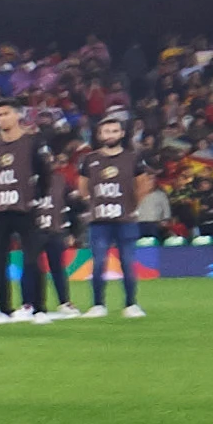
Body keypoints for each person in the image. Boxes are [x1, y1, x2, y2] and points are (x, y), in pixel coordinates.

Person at [0, 102, 54, 323]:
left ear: (17, 115)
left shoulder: (32, 141)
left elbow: (45, 173)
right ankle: (4, 309)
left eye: (5, 113)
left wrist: (38, 198)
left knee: (32, 260)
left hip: (25, 210)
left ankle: (39, 309)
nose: (1, 119)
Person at [79, 108, 155, 319]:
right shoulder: (89, 159)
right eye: (106, 131)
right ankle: (98, 305)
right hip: (99, 221)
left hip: (125, 220)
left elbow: (143, 185)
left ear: (121, 134)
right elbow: (82, 186)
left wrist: (132, 205)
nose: (110, 135)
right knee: (99, 263)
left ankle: (131, 304)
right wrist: (92, 203)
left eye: (114, 131)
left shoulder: (132, 158)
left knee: (128, 262)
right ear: (99, 135)